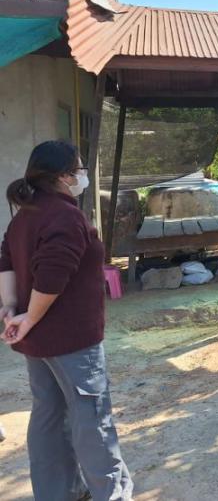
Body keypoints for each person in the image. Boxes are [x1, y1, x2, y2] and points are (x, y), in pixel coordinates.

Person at [0, 140, 133, 500]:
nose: (82, 175)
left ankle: (60, 492)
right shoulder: (65, 216)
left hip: (38, 340)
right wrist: (28, 317)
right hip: (72, 339)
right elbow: (52, 276)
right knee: (91, 416)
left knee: (48, 414)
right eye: (79, 168)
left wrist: (12, 308)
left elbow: (6, 259)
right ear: (64, 176)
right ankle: (111, 493)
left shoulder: (25, 215)